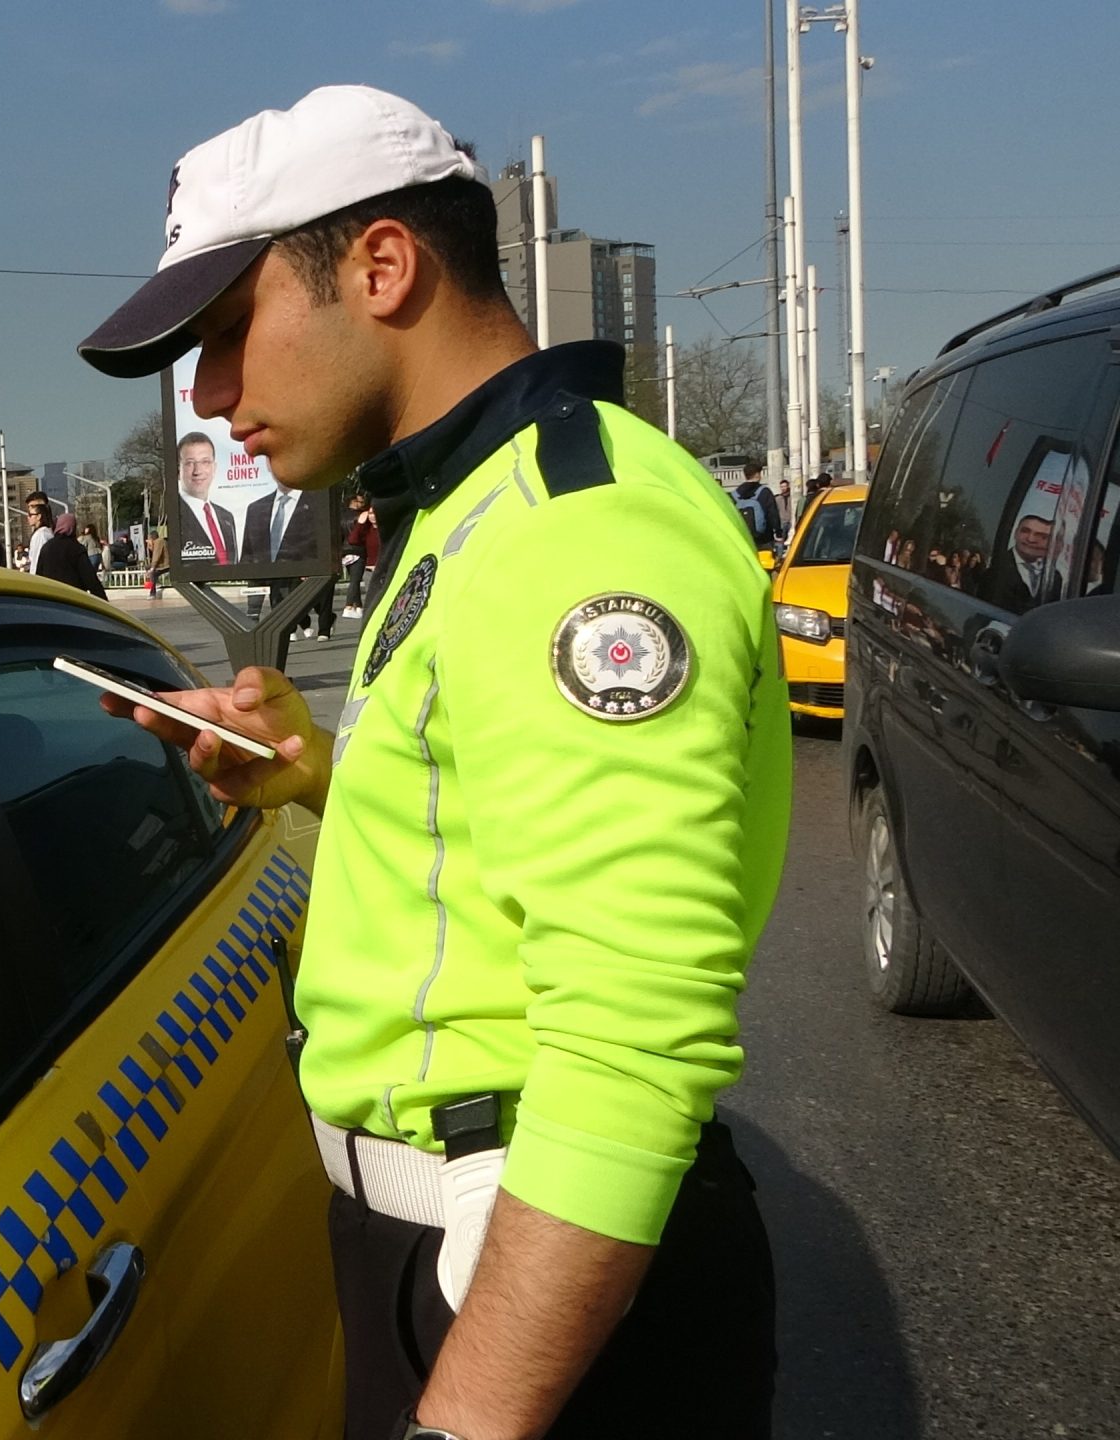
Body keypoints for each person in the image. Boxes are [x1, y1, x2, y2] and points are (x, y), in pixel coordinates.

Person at [77, 85, 786, 1439]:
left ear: (382, 266)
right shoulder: (474, 505)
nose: (211, 398)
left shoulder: (579, 536)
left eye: (228, 331)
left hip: (527, 1261)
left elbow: (630, 1037)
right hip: (457, 1239)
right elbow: (509, 830)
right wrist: (317, 770)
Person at [174, 433, 238, 564]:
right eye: (189, 463)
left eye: (205, 462)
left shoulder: (227, 518)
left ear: (214, 468)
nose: (198, 471)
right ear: (178, 471)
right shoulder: (174, 515)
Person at [31, 513, 107, 599]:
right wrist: (104, 601)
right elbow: (90, 579)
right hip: (72, 601)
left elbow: (39, 576)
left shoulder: (46, 547)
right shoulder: (76, 548)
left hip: (51, 600)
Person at [341, 492, 382, 617]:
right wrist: (361, 522)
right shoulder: (367, 529)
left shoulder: (384, 530)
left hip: (383, 568)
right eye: (370, 513)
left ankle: (355, 606)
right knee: (371, 596)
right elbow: (353, 540)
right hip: (369, 568)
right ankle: (356, 607)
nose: (372, 516)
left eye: (374, 513)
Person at [731, 462, 781, 553]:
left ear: (745, 475)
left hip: (743, 538)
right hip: (764, 538)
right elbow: (773, 514)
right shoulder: (765, 492)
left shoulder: (734, 494)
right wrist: (778, 532)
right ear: (757, 474)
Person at [23, 491, 56, 574]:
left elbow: (37, 562)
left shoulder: (42, 534)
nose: (29, 510)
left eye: (33, 506)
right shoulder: (44, 532)